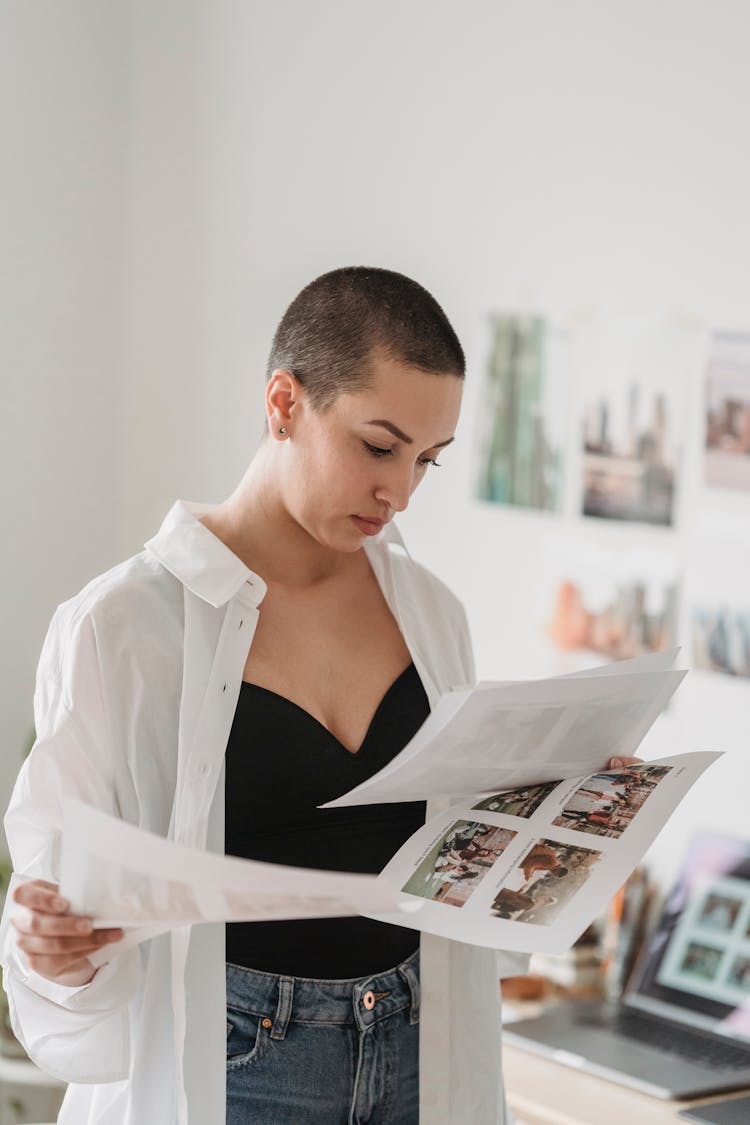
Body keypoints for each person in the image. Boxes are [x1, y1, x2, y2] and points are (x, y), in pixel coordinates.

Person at [0, 266, 639, 1125]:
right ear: (284, 403)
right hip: (236, 1063)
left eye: (427, 460)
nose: (400, 492)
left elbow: (454, 847)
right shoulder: (123, 626)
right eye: (379, 446)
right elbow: (58, 890)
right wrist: (52, 944)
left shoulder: (432, 612)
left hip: (422, 1045)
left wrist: (569, 812)